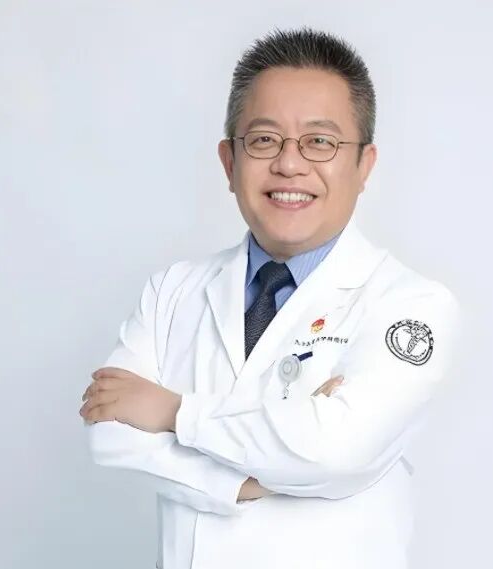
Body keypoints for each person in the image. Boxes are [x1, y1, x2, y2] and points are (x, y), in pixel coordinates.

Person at [79, 26, 461, 569]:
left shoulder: (412, 306)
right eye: (263, 140)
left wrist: (173, 412)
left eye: (320, 142)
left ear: (364, 165)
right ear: (229, 163)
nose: (289, 164)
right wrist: (252, 477)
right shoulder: (172, 291)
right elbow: (110, 435)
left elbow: (335, 450)